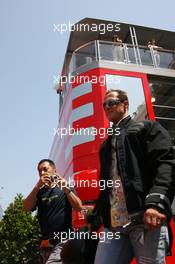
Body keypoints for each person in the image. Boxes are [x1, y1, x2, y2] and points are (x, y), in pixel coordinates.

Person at [92, 89, 175, 264]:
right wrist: (94, 219)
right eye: (104, 105)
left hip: (144, 218)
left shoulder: (147, 128)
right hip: (113, 225)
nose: (107, 107)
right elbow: (106, 185)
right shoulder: (104, 146)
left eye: (112, 103)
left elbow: (166, 164)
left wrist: (157, 202)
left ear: (125, 104)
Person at [23, 159, 82, 264]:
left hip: (64, 239)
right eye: (39, 171)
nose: (42, 173)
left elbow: (78, 207)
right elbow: (26, 208)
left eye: (45, 169)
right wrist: (37, 187)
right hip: (46, 244)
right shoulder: (39, 193)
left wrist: (66, 190)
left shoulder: (64, 188)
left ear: (54, 170)